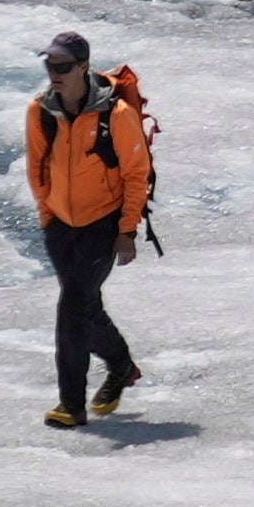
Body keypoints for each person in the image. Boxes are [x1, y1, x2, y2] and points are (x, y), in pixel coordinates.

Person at [21, 34, 157, 430]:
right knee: (84, 306)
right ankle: (121, 365)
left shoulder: (116, 115)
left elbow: (136, 175)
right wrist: (47, 215)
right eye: (50, 65)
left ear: (83, 67)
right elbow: (36, 167)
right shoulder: (40, 110)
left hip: (103, 223)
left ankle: (71, 405)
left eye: (63, 66)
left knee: (72, 308)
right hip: (60, 225)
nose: (54, 72)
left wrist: (127, 231)